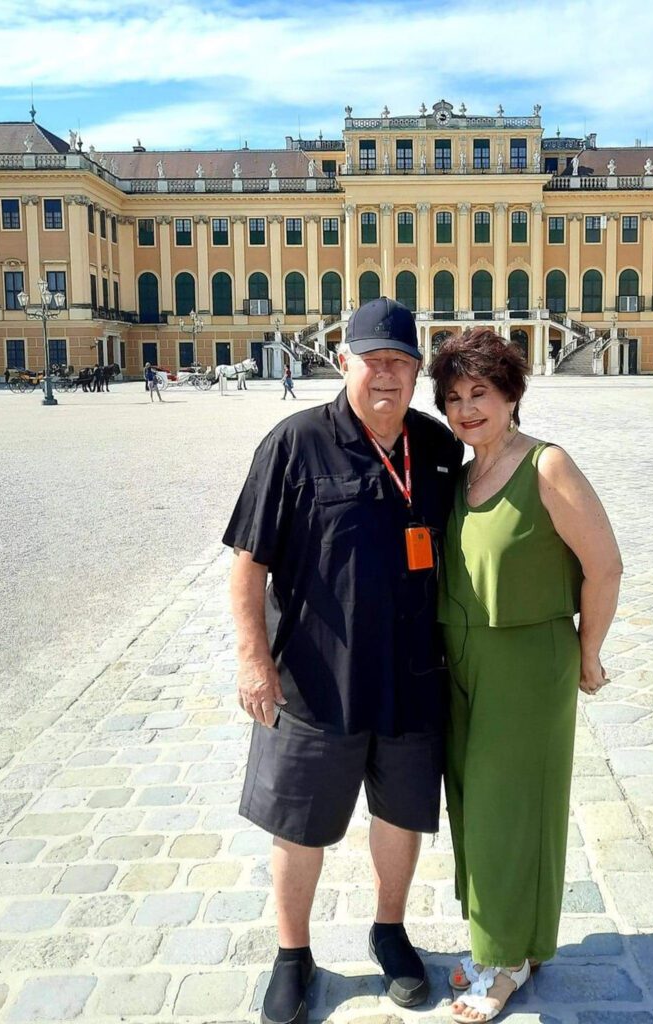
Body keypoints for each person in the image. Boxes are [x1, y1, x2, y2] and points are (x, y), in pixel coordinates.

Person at [224, 297, 462, 1024]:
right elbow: (247, 563)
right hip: (313, 681)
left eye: (400, 361)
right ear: (342, 361)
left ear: (418, 371)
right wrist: (252, 661)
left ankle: (389, 931)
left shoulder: (438, 446)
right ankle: (292, 954)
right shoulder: (294, 443)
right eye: (372, 360)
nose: (386, 375)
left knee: (402, 819)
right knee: (298, 826)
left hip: (412, 675)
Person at [430, 328, 623, 1024]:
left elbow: (604, 566)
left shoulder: (547, 466)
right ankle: (511, 939)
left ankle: (504, 960)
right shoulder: (461, 475)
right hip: (463, 661)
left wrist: (589, 652)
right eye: (453, 397)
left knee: (507, 811)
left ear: (511, 394)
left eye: (480, 392)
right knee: (474, 808)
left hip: (527, 662)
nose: (467, 409)